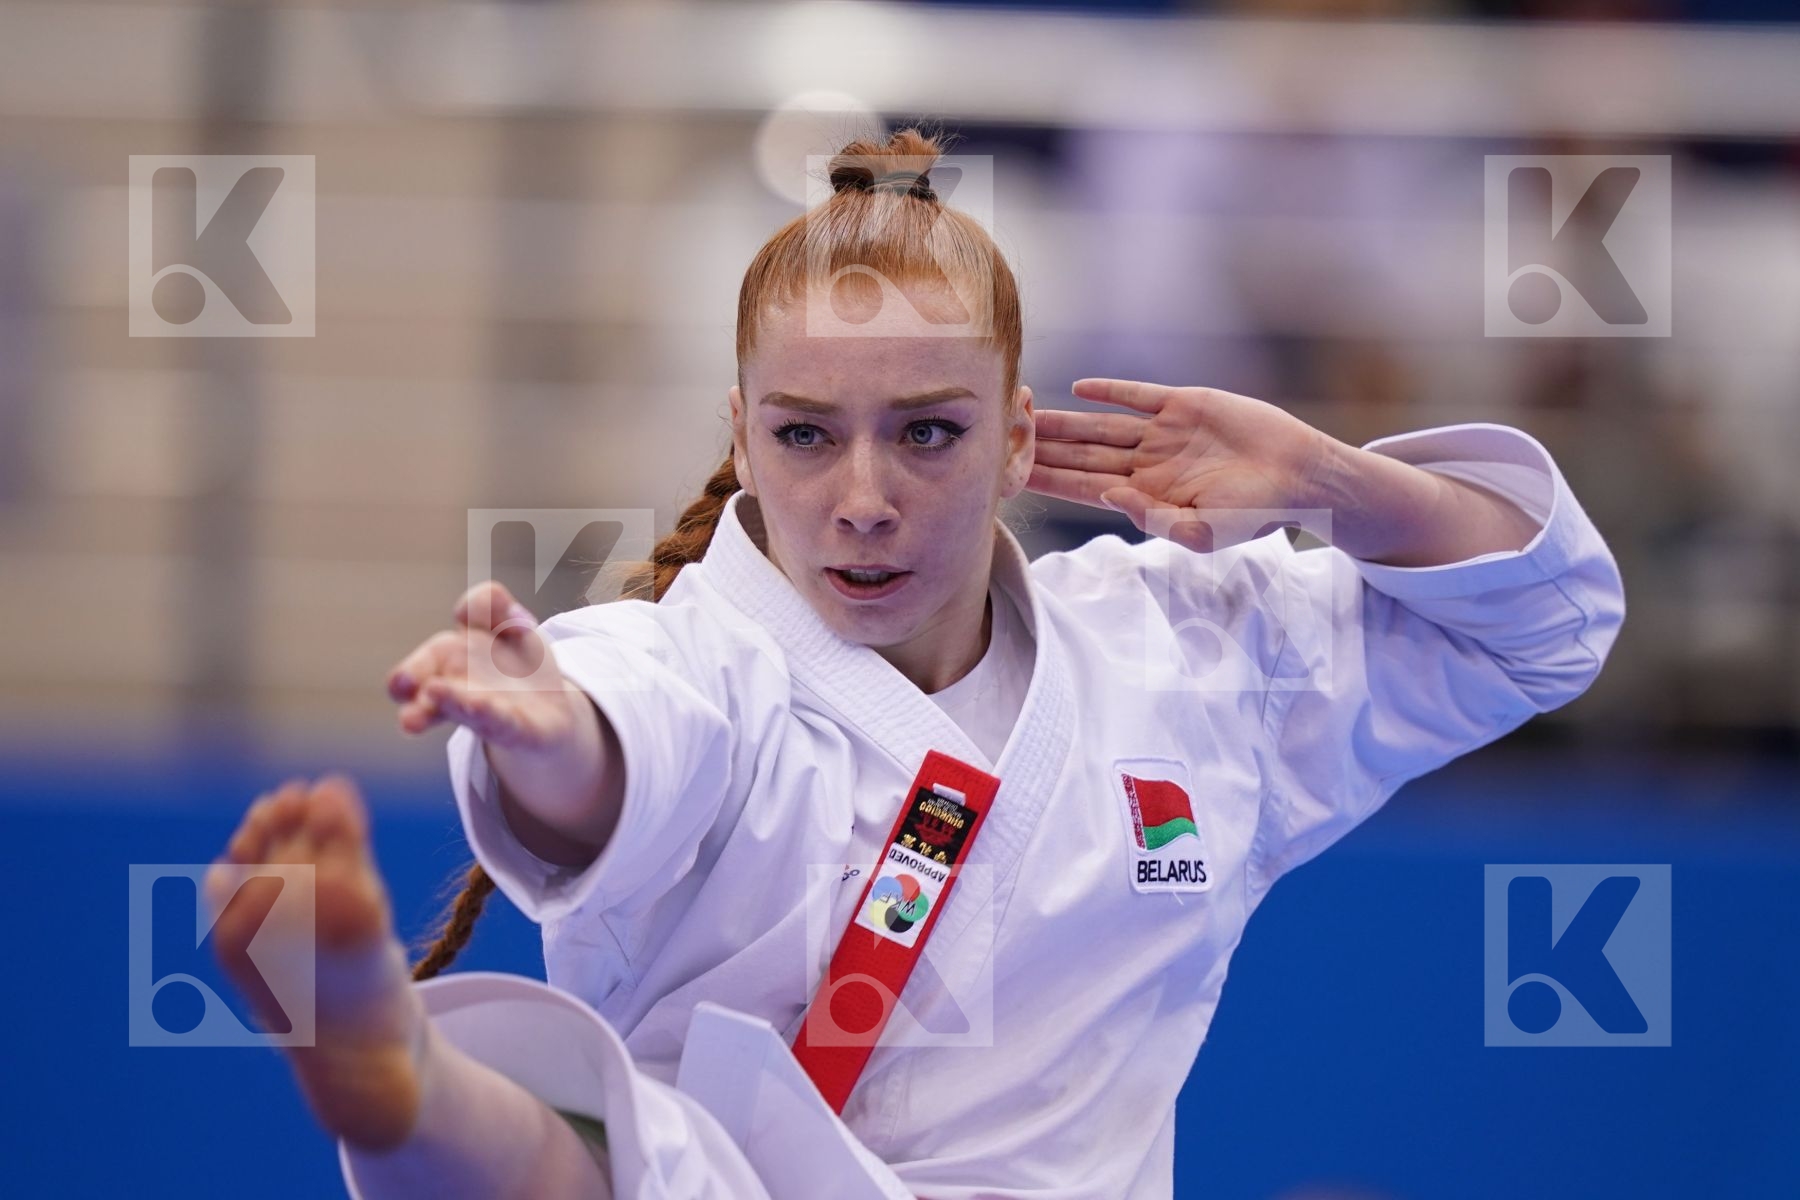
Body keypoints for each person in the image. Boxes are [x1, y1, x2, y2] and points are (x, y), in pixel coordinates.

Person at [206, 126, 1625, 1198]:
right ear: (742, 432)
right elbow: (618, 752)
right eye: (808, 433)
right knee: (611, 1158)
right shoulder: (698, 664)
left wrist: (1335, 482)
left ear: (1017, 437)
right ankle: (388, 1072)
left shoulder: (1178, 651)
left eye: (930, 433)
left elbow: (1546, 628)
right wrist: (543, 729)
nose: (864, 495)